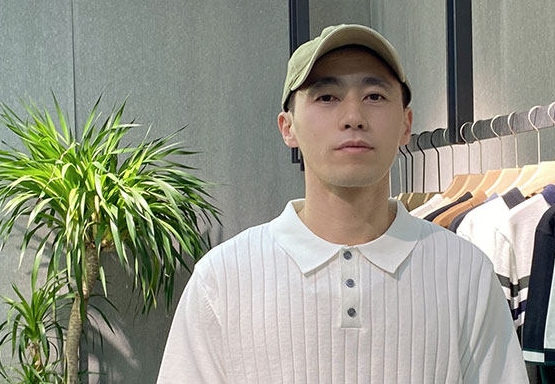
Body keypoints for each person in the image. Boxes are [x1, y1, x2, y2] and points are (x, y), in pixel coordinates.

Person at [157, 24, 528, 383]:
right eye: (327, 97)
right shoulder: (222, 279)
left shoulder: (465, 272)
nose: (353, 118)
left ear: (406, 124)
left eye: (374, 96)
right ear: (288, 127)